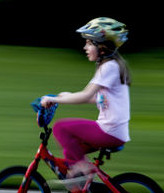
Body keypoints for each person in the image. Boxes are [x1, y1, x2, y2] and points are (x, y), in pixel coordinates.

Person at [41, 17, 131, 178]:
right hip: (115, 131)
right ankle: (82, 192)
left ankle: (85, 169)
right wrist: (67, 95)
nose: (85, 47)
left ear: (102, 46)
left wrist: (55, 100)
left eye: (89, 43)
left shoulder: (108, 67)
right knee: (71, 149)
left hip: (109, 131)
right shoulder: (111, 66)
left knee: (60, 128)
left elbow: (85, 95)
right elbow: (96, 98)